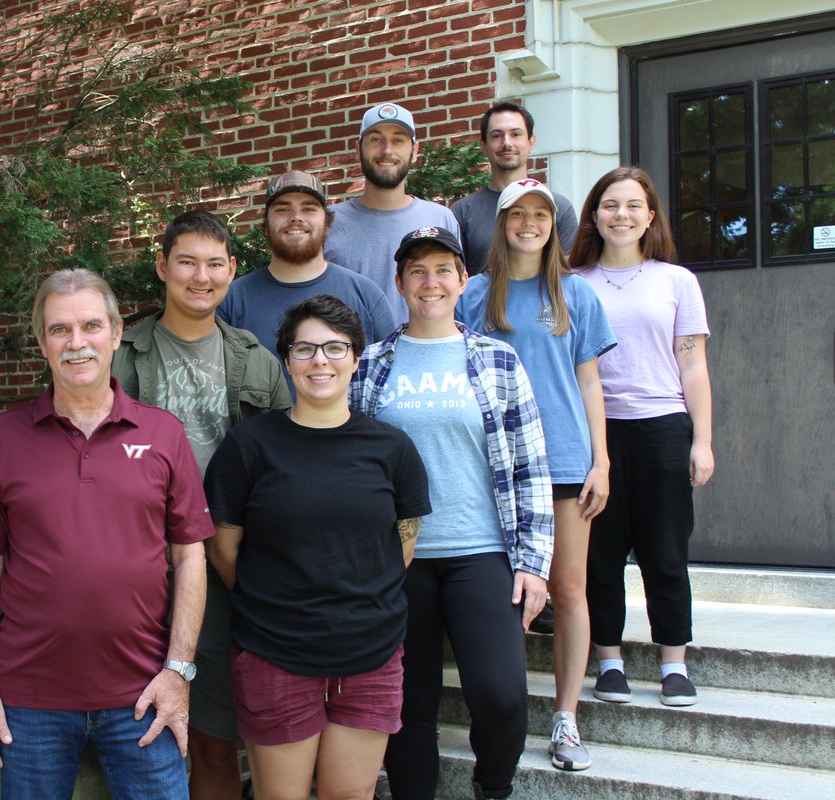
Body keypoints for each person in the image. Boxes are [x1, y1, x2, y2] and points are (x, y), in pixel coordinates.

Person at [0, 269, 213, 799]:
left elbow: (191, 557)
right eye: (60, 330)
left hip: (143, 694)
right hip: (30, 702)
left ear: (117, 334)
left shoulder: (163, 433)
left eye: (91, 326)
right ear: (41, 343)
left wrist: (179, 672)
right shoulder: (4, 438)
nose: (77, 343)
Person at [351, 228, 554, 800]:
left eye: (443, 269)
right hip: (399, 560)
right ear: (399, 283)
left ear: (463, 281)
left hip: (481, 552)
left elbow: (529, 464)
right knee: (407, 702)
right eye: (417, 271)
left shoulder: (496, 359)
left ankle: (493, 786)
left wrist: (534, 563)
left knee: (500, 692)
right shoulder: (371, 364)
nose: (430, 282)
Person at [205, 295, 431, 800]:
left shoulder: (393, 449)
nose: (320, 361)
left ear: (356, 357)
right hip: (275, 652)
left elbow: (403, 549)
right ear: (286, 360)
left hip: (370, 653)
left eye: (335, 347)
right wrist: (279, 605)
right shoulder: (248, 446)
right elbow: (224, 551)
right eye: (305, 349)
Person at [111, 209, 291, 800]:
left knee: (213, 734)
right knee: (132, 724)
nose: (200, 276)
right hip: (135, 565)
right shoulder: (120, 358)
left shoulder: (257, 361)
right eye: (186, 262)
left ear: (233, 272)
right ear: (162, 266)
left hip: (222, 566)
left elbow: (285, 464)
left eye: (215, 264)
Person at [457, 179, 615, 771]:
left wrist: (600, 460)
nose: (529, 223)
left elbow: (590, 382)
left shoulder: (578, 294)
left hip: (567, 462)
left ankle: (567, 717)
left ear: (556, 224)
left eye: (540, 214)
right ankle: (502, 713)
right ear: (500, 223)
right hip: (495, 466)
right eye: (517, 214)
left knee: (569, 590)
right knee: (504, 593)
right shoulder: (474, 294)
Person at [570, 166, 714, 709]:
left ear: (650, 216)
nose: (621, 215)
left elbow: (694, 366)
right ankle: (609, 660)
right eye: (610, 205)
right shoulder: (573, 283)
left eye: (633, 205)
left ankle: (674, 663)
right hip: (597, 432)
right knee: (601, 555)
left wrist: (701, 440)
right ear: (595, 215)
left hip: (662, 429)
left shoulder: (676, 281)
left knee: (666, 552)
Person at [218, 169, 395, 395]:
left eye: (309, 208)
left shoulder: (366, 295)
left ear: (327, 224)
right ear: (265, 227)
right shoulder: (232, 299)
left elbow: (390, 383)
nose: (296, 217)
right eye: (283, 209)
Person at [326, 101, 461, 325]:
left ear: (415, 151)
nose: (387, 151)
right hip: (350, 358)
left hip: (423, 356)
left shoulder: (441, 219)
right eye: (376, 140)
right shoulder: (328, 222)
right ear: (358, 148)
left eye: (398, 140)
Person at [452, 101, 578, 276]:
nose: (506, 143)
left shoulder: (559, 208)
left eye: (516, 134)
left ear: (531, 142)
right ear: (484, 146)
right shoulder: (462, 212)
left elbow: (566, 279)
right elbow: (454, 278)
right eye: (496, 136)